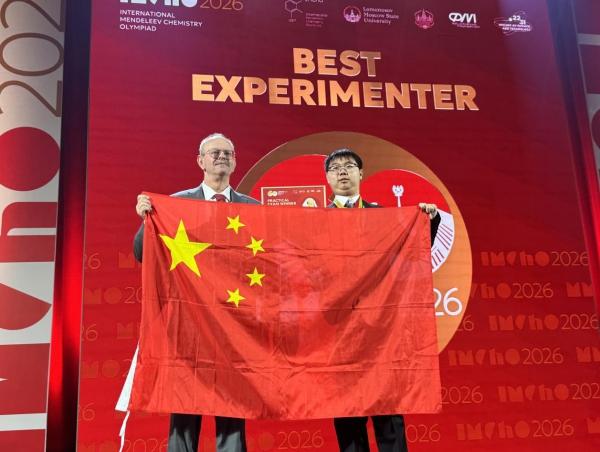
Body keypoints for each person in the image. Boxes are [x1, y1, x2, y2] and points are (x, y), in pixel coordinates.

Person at [124, 133, 258, 452]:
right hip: (188, 324)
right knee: (185, 407)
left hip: (234, 324)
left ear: (235, 162)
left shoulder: (253, 208)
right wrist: (146, 220)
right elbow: (142, 253)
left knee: (231, 408)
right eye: (214, 153)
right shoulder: (176, 204)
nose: (221, 157)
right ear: (200, 161)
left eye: (227, 153)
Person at [324, 148, 440, 452]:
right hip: (339, 335)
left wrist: (429, 220)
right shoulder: (315, 220)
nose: (343, 171)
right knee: (349, 417)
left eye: (349, 166)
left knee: (388, 416)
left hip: (381, 333)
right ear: (327, 178)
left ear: (361, 174)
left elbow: (415, 252)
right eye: (335, 168)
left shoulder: (385, 216)